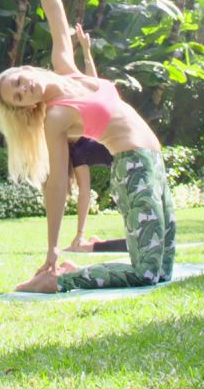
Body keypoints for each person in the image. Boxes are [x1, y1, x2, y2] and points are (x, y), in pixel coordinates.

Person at [0, 0, 175, 293]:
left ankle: (65, 272)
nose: (25, 89)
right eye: (20, 96)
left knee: (163, 268)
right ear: (29, 107)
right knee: (149, 274)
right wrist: (53, 246)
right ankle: (57, 280)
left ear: (26, 69)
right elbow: (56, 184)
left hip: (154, 162)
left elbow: (56, 16)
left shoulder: (67, 69)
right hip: (132, 167)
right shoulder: (56, 115)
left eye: (19, 82)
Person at [64, 25, 126, 254]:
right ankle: (88, 241)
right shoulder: (77, 150)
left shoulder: (88, 121)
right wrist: (79, 234)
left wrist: (86, 50)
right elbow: (85, 191)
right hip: (120, 159)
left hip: (126, 152)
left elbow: (94, 83)